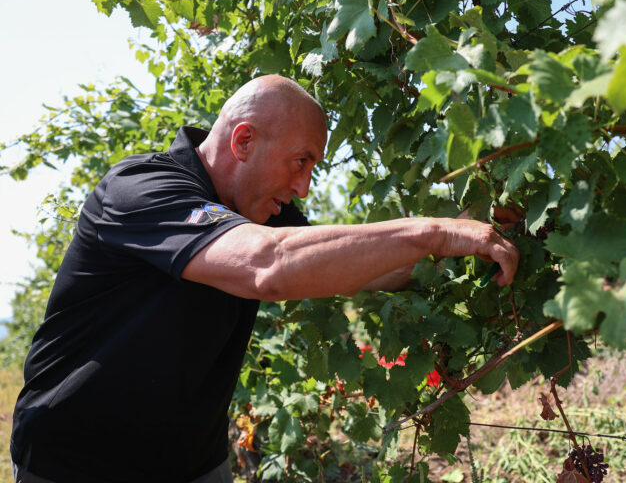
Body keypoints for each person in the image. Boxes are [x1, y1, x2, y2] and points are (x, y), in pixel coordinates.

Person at [11, 75, 519, 483]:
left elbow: (367, 267)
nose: (302, 186)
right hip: (75, 464)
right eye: (301, 162)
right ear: (244, 139)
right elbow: (268, 266)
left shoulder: (267, 217)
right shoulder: (141, 188)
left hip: (193, 464)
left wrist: (478, 245)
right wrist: (433, 232)